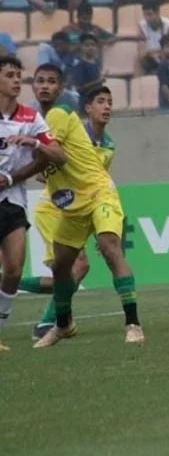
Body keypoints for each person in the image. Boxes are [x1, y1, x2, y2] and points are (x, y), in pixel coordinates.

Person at [30, 66, 144, 348]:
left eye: (51, 82)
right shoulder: (32, 122)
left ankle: (133, 324)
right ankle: (63, 324)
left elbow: (51, 155)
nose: (45, 86)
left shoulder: (58, 114)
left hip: (98, 194)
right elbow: (43, 166)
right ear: (32, 87)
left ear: (60, 88)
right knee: (61, 268)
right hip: (67, 205)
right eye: (40, 81)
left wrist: (17, 168)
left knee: (108, 248)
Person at [0, 56, 67, 352]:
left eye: (18, 75)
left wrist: (13, 176)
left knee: (13, 269)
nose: (17, 81)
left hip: (13, 200)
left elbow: (56, 154)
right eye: (10, 75)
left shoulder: (30, 117)